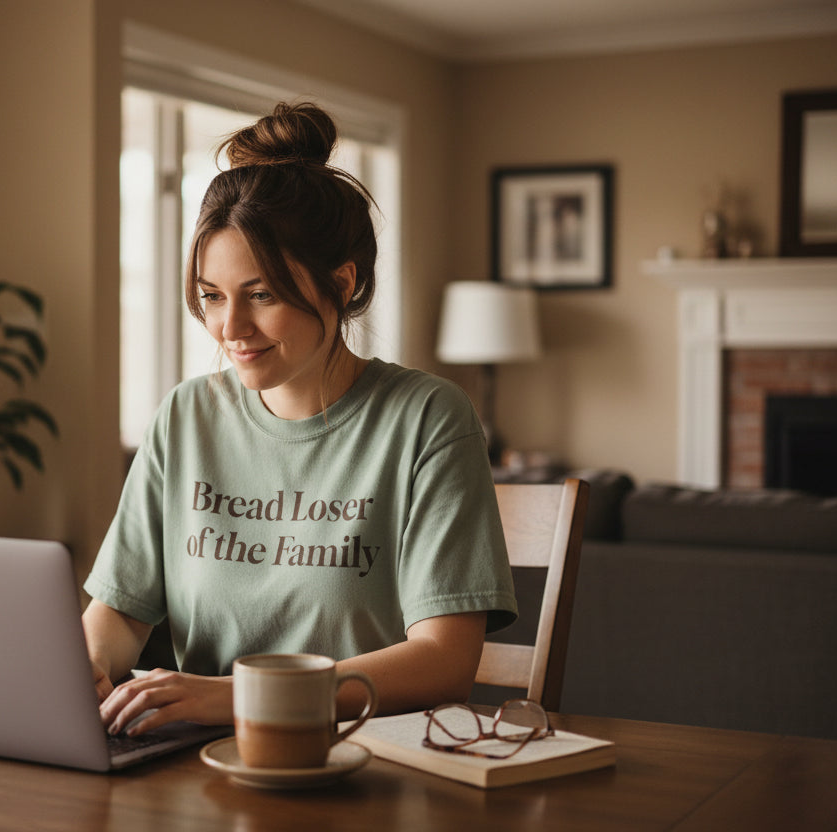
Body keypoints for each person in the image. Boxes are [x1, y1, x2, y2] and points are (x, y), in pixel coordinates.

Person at [82, 102, 516, 737]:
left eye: (261, 294)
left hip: (365, 763)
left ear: (341, 284)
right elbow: (120, 612)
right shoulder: (185, 417)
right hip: (193, 763)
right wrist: (90, 663)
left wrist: (236, 697)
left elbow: (445, 662)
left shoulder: (427, 419)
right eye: (211, 296)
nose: (229, 329)